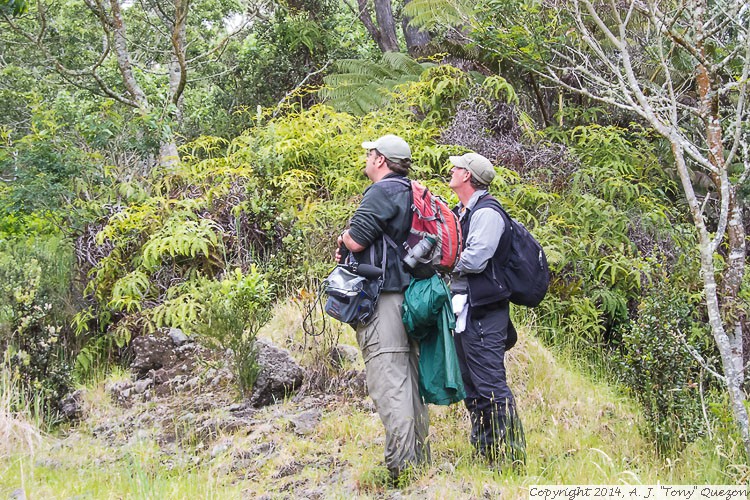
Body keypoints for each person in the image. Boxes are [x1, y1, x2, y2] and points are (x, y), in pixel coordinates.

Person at [336, 134, 430, 479]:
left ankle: (402, 469)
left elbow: (358, 239)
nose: (366, 158)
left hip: (385, 298)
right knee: (408, 378)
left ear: (380, 160)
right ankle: (420, 464)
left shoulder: (382, 192)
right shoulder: (412, 191)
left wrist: (343, 239)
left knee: (388, 379)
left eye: (369, 153)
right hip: (412, 297)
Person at [447, 152, 526, 465]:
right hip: (467, 310)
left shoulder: (488, 213)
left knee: (490, 384)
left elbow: (476, 259)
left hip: (486, 312)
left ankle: (511, 456)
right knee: (471, 384)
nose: (451, 170)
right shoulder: (465, 211)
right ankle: (485, 454)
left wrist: (445, 262)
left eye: (456, 167)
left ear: (467, 176)